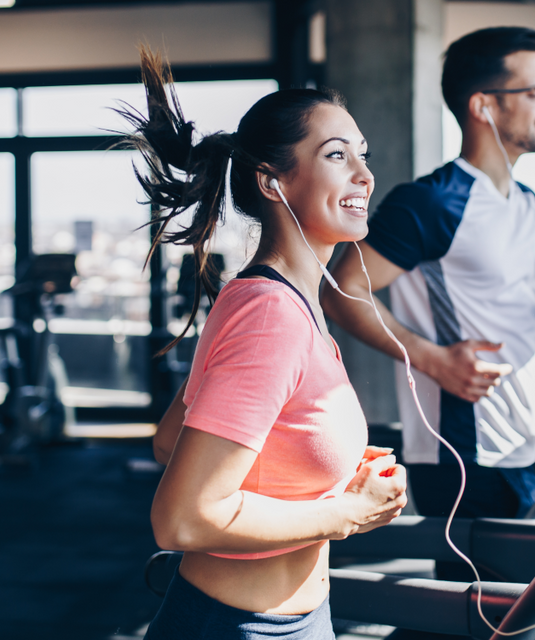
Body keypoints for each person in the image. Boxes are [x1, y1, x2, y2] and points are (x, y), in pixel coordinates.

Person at [125, 50, 408, 639]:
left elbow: (173, 439)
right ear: (272, 182)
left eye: (364, 155)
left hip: (296, 620)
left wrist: (329, 470)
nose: (364, 174)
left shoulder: (280, 301)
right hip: (238, 627)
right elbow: (181, 519)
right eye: (337, 155)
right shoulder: (270, 314)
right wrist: (348, 512)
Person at [321, 27, 535, 573]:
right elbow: (342, 289)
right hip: (463, 449)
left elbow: (530, 314)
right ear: (484, 105)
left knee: (520, 604)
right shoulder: (432, 203)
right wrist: (433, 359)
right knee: (480, 607)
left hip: (521, 444)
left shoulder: (527, 204)